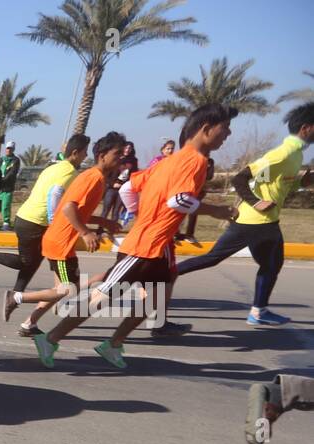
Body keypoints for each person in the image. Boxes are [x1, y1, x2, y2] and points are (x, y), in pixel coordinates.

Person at [83, 104, 237, 368]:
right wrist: (217, 211)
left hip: (157, 239)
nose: (229, 133)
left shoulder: (173, 162)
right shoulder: (191, 161)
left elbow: (130, 189)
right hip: (149, 241)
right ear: (206, 129)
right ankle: (54, 321)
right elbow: (178, 201)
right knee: (112, 289)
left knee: (156, 287)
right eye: (225, 128)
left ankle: (131, 334)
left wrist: (139, 212)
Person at [174, 101, 313, 326]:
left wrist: (301, 181)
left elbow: (272, 182)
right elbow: (241, 178)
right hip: (257, 221)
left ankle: (258, 311)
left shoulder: (296, 155)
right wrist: (255, 202)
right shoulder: (282, 153)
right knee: (232, 261)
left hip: (264, 221)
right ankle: (164, 273)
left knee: (261, 263)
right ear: (306, 128)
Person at [1, 131, 127, 355]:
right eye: (117, 154)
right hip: (59, 242)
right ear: (102, 155)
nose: (121, 159)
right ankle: (16, 297)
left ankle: (28, 324)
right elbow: (68, 208)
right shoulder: (93, 178)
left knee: (64, 289)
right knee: (67, 290)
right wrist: (86, 232)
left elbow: (78, 209)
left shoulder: (94, 177)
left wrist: (103, 221)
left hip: (62, 242)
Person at [0, 134, 89, 331]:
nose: (86, 156)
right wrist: (53, 222)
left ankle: (32, 315)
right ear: (75, 153)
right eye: (84, 152)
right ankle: (8, 285)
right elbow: (55, 193)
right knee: (30, 264)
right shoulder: (69, 173)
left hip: (28, 218)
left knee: (41, 267)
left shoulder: (54, 167)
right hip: (34, 223)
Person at [246, 375, 314, 444]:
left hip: (285, 386)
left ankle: (258, 435)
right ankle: (258, 435)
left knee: (271, 391)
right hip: (285, 391)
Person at [99, 142, 138, 223]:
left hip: (123, 190)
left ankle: (111, 232)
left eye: (129, 148)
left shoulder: (133, 161)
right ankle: (100, 230)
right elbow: (107, 174)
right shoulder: (116, 158)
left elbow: (134, 175)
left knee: (116, 212)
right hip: (111, 188)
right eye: (126, 148)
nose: (127, 150)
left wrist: (126, 185)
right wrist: (112, 183)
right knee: (105, 210)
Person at [0, 141, 19, 230]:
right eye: (7, 148)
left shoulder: (15, 160)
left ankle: (6, 222)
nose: (8, 150)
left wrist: (3, 180)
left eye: (10, 148)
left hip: (7, 187)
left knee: (5, 205)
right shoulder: (1, 159)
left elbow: (12, 173)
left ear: (13, 149)